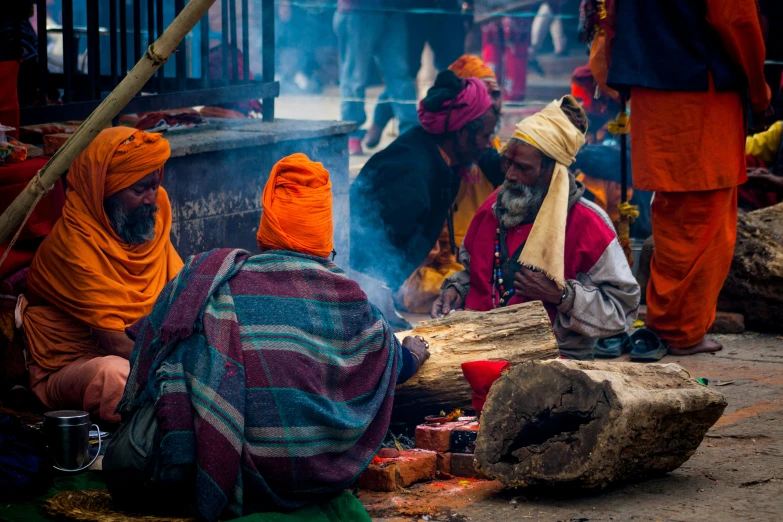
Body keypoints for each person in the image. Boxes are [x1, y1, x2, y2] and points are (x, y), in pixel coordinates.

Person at [104, 154, 430, 521]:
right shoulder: (350, 300)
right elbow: (393, 363)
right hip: (317, 479)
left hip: (234, 476)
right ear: (325, 241)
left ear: (265, 234)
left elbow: (154, 352)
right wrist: (414, 353)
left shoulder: (214, 280)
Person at [590, 0, 772, 356]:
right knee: (705, 218)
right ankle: (679, 329)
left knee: (673, 211)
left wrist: (609, 75)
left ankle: (668, 323)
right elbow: (735, 19)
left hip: (650, 93)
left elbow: (606, 18)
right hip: (701, 96)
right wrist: (759, 90)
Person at [432, 97, 640, 361]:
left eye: (523, 168)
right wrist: (456, 291)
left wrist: (562, 295)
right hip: (481, 347)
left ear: (551, 173)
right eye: (508, 162)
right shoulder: (493, 207)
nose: (510, 175)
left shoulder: (588, 222)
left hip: (555, 358)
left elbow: (623, 310)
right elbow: (478, 273)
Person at [18, 128, 183, 424]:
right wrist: (181, 362)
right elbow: (116, 343)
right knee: (116, 375)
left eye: (154, 186)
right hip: (72, 364)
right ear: (101, 191)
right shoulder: (73, 246)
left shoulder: (156, 212)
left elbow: (180, 293)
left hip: (145, 349)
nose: (151, 200)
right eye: (138, 190)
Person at [350, 70, 500, 308]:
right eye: (485, 135)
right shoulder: (410, 177)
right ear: (461, 133)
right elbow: (374, 261)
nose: (488, 143)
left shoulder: (440, 154)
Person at [391, 55, 504, 312]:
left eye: (495, 93)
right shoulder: (432, 157)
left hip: (482, 257)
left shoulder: (491, 150)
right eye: (484, 94)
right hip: (439, 261)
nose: (493, 102)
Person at [366, 0, 472, 148]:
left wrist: (469, 9)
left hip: (448, 10)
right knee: (405, 73)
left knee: (452, 73)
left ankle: (450, 130)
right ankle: (380, 120)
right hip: (413, 9)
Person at [334, 0, 419, 155]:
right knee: (355, 77)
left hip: (392, 10)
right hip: (358, 10)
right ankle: (352, 134)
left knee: (399, 75)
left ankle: (410, 134)